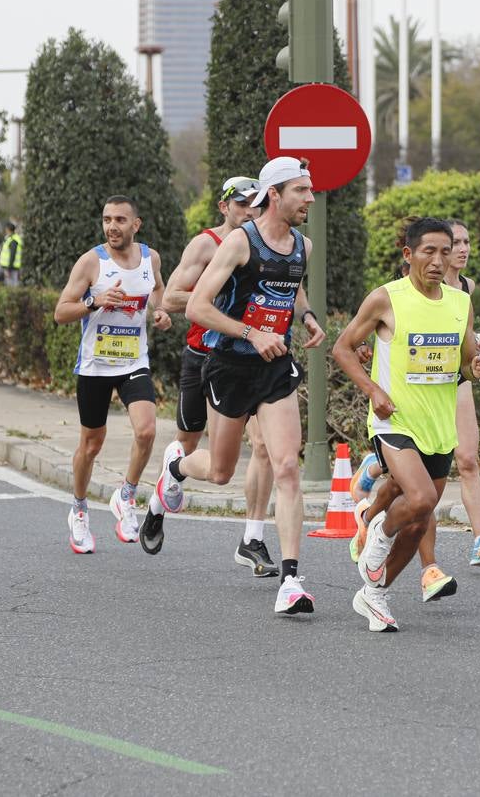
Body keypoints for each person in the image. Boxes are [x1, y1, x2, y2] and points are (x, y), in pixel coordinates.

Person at [145, 157, 324, 617]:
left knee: (287, 466)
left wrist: (305, 317)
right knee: (221, 471)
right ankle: (176, 470)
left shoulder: (303, 245)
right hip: (229, 366)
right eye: (302, 190)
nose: (310, 198)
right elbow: (197, 307)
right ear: (275, 194)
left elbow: (290, 286)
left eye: (310, 190)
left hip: (274, 368)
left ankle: (290, 580)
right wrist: (251, 333)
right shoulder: (240, 242)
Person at [332, 217, 480, 632]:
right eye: (429, 251)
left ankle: (374, 594)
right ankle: (378, 533)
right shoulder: (386, 298)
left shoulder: (460, 303)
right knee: (419, 500)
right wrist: (373, 391)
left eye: (446, 252)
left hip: (438, 426)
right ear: (409, 254)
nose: (438, 260)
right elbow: (343, 348)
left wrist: (476, 368)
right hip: (394, 421)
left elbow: (464, 365)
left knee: (420, 520)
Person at [52, 195, 171, 553]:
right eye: (107, 220)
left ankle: (126, 494)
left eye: (120, 220)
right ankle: (79, 509)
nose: (112, 227)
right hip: (95, 366)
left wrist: (160, 311)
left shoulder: (150, 258)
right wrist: (95, 301)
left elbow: (158, 289)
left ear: (136, 224)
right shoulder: (92, 262)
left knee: (147, 431)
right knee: (91, 444)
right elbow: (61, 311)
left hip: (133, 362)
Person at [0, 221, 23, 286]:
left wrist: (9, 269)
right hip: (10, 266)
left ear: (8, 229)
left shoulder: (13, 240)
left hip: (11, 267)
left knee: (11, 285)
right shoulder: (9, 238)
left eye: (6, 229)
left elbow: (12, 255)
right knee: (10, 284)